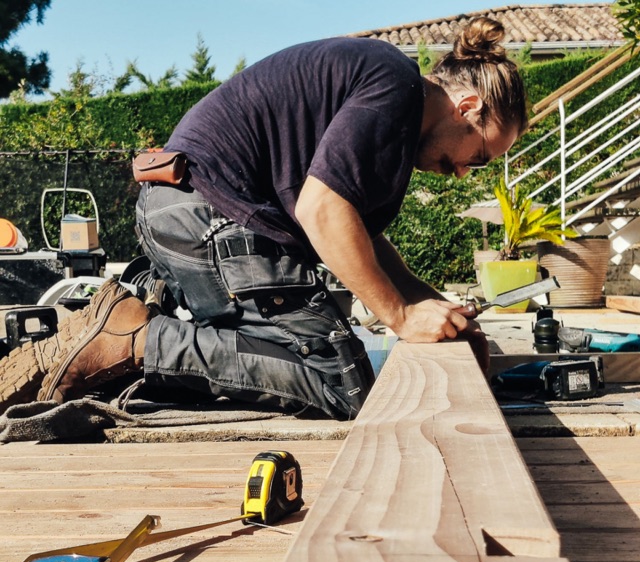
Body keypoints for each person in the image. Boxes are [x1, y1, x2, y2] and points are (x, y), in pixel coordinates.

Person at [0, 17, 528, 419]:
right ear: (466, 107)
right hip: (207, 217)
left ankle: (137, 332)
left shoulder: (393, 105)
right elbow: (322, 211)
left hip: (186, 212)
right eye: (477, 156)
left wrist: (422, 299)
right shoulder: (394, 84)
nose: (463, 173)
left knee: (272, 360)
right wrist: (401, 318)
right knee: (345, 387)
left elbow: (356, 231)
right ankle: (135, 340)